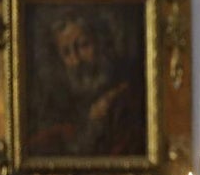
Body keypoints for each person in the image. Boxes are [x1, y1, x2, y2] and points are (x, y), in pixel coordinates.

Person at [25, 8, 146, 157]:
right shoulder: (54, 104)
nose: (76, 61)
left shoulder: (127, 93)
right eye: (67, 52)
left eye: (83, 45)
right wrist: (94, 123)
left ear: (100, 43)